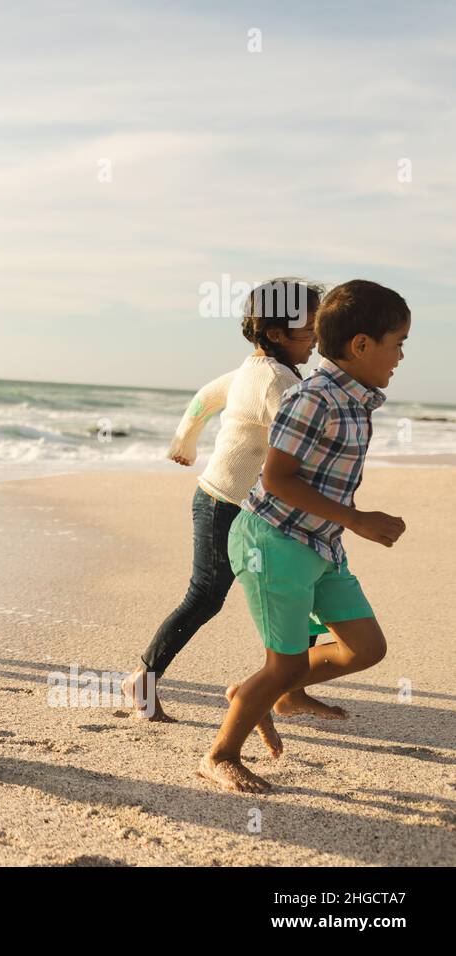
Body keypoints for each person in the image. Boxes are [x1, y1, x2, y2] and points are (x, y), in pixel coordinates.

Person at [198, 280, 410, 792]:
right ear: (361, 345)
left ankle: (262, 692)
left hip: (319, 545)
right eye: (397, 342)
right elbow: (276, 478)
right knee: (284, 662)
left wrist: (348, 523)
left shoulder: (356, 400)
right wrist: (357, 519)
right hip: (272, 542)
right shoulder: (313, 398)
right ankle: (222, 752)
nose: (401, 356)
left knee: (364, 648)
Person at [123, 280, 326, 724]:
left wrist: (185, 441)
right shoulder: (276, 380)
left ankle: (291, 689)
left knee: (301, 586)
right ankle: (143, 675)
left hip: (252, 506)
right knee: (206, 596)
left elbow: (206, 396)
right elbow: (300, 445)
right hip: (225, 505)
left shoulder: (254, 370)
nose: (316, 337)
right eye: (309, 329)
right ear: (275, 334)